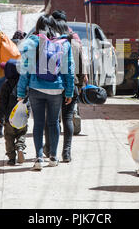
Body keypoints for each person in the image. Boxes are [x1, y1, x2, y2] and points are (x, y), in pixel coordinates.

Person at [17, 15, 75, 170]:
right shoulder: (64, 44)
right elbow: (69, 70)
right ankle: (54, 157)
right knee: (54, 122)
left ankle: (38, 159)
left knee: (38, 123)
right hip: (56, 89)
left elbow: (25, 69)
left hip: (36, 88)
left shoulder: (33, 42)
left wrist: (21, 91)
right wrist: (69, 92)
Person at [43, 10, 88, 162]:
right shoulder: (74, 41)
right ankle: (66, 153)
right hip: (72, 84)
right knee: (67, 118)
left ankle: (49, 149)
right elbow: (82, 66)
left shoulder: (49, 41)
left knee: (52, 119)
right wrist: (80, 84)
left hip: (53, 85)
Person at [0, 59, 29, 166]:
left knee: (9, 137)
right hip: (22, 116)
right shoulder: (24, 84)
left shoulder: (6, 85)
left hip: (9, 117)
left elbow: (1, 102)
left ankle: (11, 158)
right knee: (22, 133)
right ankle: (20, 146)